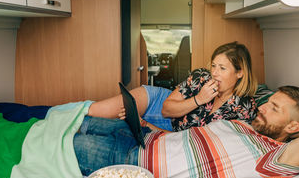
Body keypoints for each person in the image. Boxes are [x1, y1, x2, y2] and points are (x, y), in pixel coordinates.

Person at [74, 85, 299, 178]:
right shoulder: (243, 125)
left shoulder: (273, 160)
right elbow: (186, 141)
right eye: (267, 102)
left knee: (56, 146)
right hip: (144, 136)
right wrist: (147, 126)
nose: (262, 107)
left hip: (130, 159)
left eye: (274, 108)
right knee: (73, 120)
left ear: (294, 127)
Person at [87, 41, 259, 132]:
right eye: (213, 65)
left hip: (171, 130)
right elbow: (166, 110)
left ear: (240, 73)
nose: (214, 73)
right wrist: (199, 99)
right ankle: (62, 115)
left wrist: (144, 125)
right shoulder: (201, 77)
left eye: (222, 68)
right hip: (159, 101)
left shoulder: (244, 108)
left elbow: (191, 142)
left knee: (116, 126)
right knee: (95, 111)